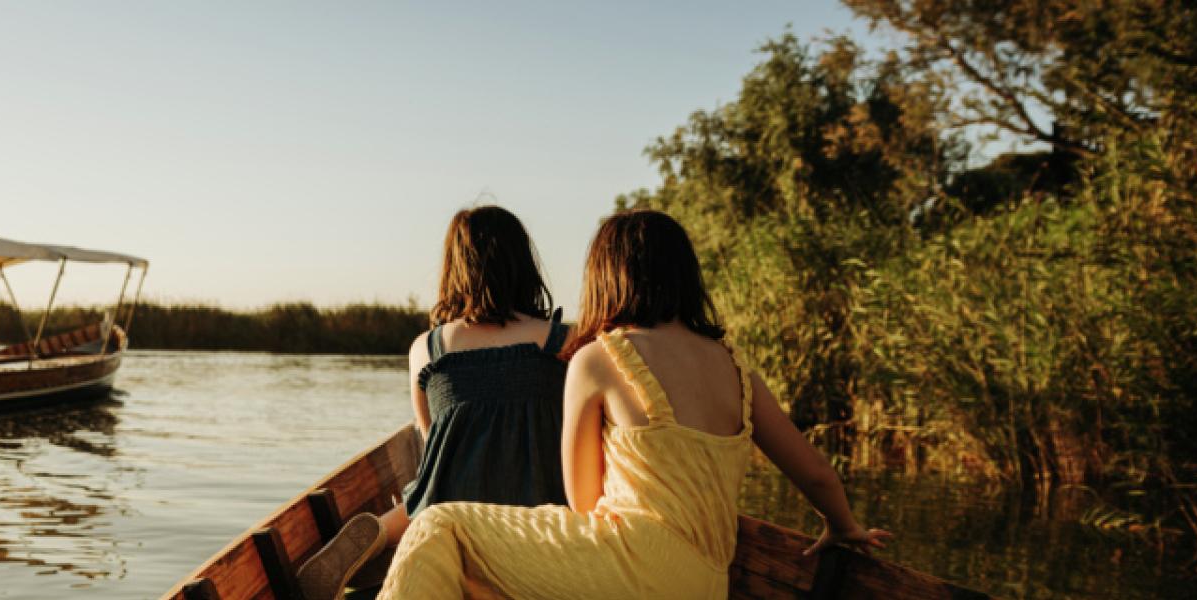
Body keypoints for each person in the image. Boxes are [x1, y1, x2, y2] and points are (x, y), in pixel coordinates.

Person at [375, 210, 890, 599]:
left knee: (437, 526)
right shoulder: (737, 369)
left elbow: (580, 503)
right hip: (705, 583)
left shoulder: (600, 360)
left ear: (606, 277)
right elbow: (818, 475)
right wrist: (844, 527)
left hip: (628, 568)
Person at [298, 206, 571, 599]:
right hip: (535, 508)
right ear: (524, 264)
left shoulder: (427, 349)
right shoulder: (565, 342)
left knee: (432, 486)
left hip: (450, 506)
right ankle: (391, 528)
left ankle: (383, 529)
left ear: (454, 269)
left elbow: (431, 439)